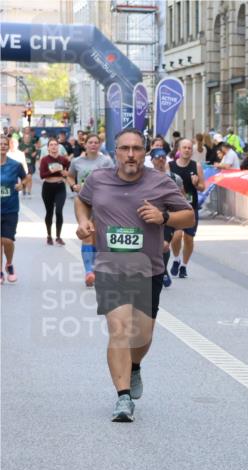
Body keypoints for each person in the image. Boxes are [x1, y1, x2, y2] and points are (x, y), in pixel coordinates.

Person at [74, 128, 194, 422]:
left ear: (145, 152)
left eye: (137, 149)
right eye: (125, 148)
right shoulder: (99, 179)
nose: (130, 154)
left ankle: (135, 366)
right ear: (115, 152)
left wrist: (163, 217)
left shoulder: (161, 183)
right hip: (109, 268)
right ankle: (123, 398)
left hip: (148, 269)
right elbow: (82, 200)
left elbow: (188, 216)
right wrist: (83, 221)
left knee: (142, 336)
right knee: (119, 330)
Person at [67, 134, 115, 287]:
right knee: (86, 233)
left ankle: (95, 267)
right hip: (83, 201)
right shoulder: (77, 161)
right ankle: (89, 271)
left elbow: (113, 179)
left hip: (101, 202)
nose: (93, 145)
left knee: (96, 235)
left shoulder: (106, 161)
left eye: (96, 142)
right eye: (90, 142)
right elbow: (70, 176)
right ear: (85, 145)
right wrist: (74, 186)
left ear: (100, 145)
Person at [168, 138, 206, 280]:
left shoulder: (196, 166)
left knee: (189, 239)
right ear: (179, 149)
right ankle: (176, 259)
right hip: (176, 208)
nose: (187, 150)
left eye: (189, 148)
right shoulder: (170, 166)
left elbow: (203, 187)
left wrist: (196, 184)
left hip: (191, 207)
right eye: (184, 147)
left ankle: (184, 265)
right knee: (177, 236)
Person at [150, 147, 185, 288]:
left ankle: (163, 270)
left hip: (168, 216)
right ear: (152, 160)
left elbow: (182, 196)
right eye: (157, 158)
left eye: (163, 158)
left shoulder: (174, 178)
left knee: (164, 245)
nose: (160, 160)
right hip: (150, 216)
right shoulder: (145, 177)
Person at [1, 135, 30, 285]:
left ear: (9, 146)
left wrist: (22, 185)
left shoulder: (15, 164)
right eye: (0, 144)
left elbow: (26, 178)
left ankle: (9, 263)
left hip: (10, 207)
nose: (2, 146)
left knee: (7, 240)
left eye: (5, 144)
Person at [39, 138, 71, 245]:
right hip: (48, 187)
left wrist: (66, 173)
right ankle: (49, 235)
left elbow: (70, 170)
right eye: (51, 145)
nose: (53, 147)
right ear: (48, 147)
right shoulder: (45, 160)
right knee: (49, 212)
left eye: (55, 144)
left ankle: (58, 236)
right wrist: (51, 171)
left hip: (60, 186)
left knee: (59, 211)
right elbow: (42, 175)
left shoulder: (63, 159)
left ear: (59, 147)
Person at [19, 129, 37, 198]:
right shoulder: (20, 145)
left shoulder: (32, 145)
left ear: (30, 139)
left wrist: (34, 153)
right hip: (22, 164)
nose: (27, 139)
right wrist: (24, 152)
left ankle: (29, 192)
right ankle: (24, 190)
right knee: (23, 178)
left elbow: (36, 151)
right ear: (23, 139)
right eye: (25, 138)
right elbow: (17, 153)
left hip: (30, 164)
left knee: (29, 177)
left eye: (28, 138)